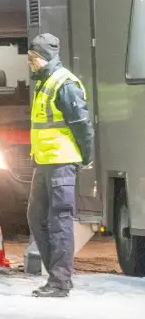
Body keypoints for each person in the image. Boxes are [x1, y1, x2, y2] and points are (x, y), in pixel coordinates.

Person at [27, 33, 93, 298]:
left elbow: (82, 125)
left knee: (60, 220)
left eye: (33, 58)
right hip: (45, 161)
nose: (30, 63)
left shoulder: (64, 83)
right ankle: (58, 274)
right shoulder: (45, 83)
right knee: (36, 216)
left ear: (43, 57)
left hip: (61, 161)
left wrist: (86, 157)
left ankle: (59, 281)